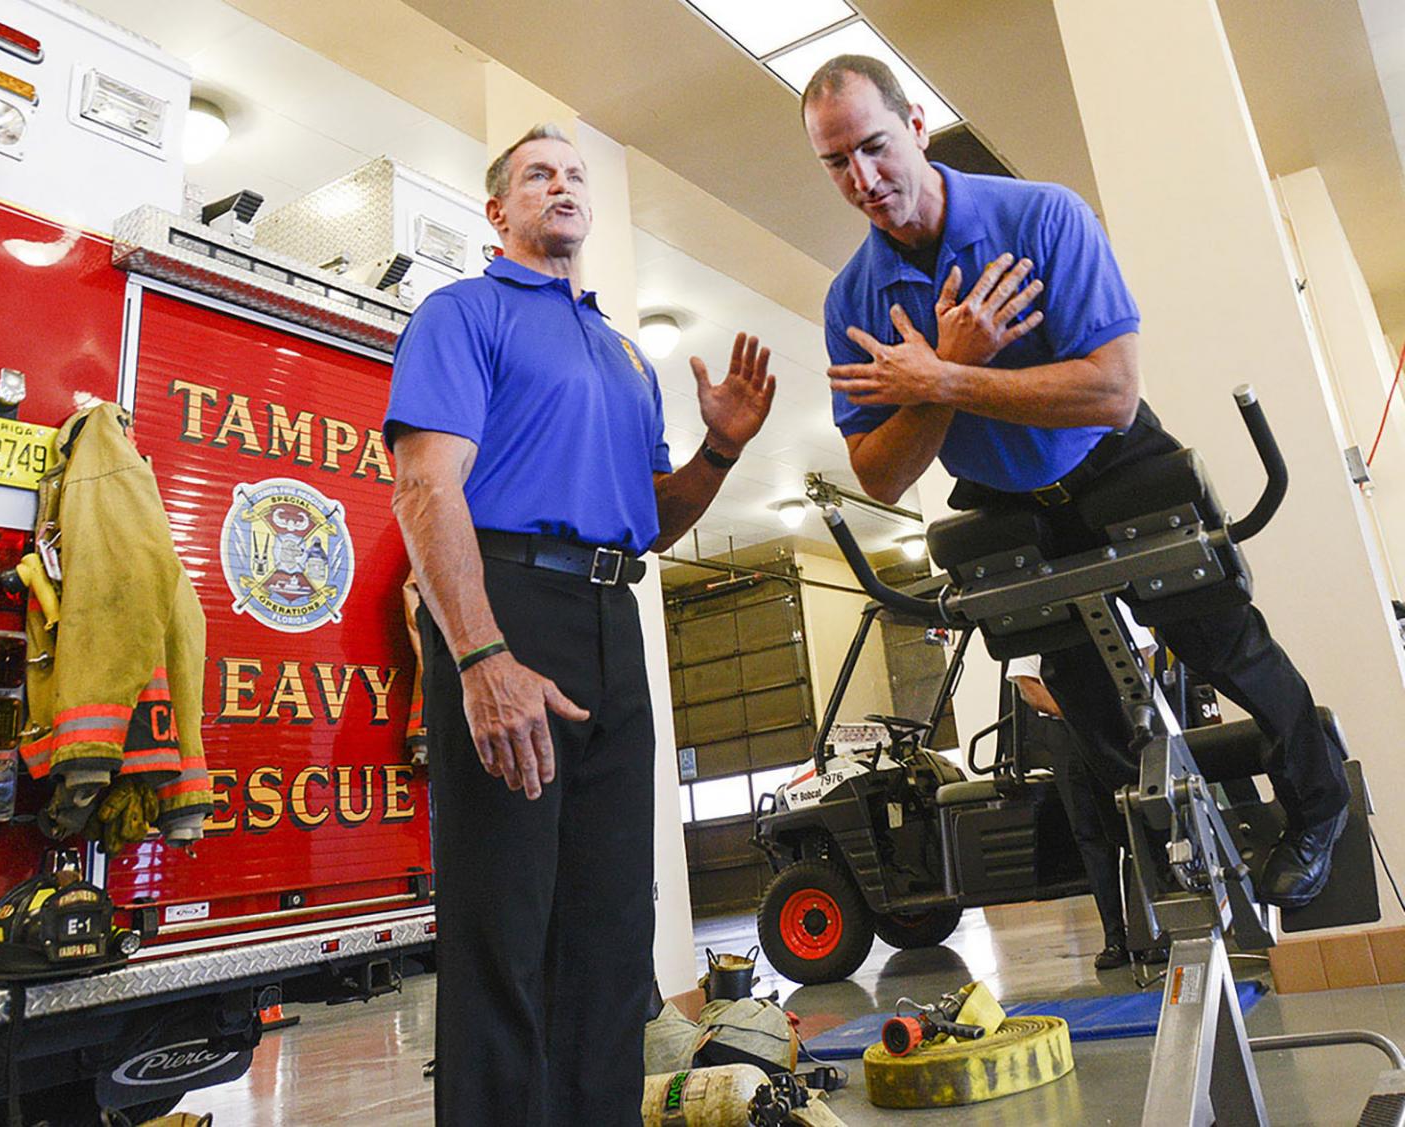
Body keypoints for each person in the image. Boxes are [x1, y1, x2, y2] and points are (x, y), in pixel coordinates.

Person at [800, 54, 1350, 911]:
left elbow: (1110, 389)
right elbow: (879, 468)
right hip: (1004, 501)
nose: (862, 179)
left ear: (916, 127)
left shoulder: (1044, 216)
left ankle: (1319, 807)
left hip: (1113, 458)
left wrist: (943, 381)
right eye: (836, 162)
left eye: (873, 146)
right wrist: (948, 366)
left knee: (1225, 646)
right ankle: (1181, 839)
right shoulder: (852, 300)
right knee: (1088, 704)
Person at [385, 124, 776, 1126]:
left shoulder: (621, 352)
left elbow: (651, 516)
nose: (560, 185)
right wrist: (479, 656)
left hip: (613, 612)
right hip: (506, 605)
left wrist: (720, 452)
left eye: (574, 174)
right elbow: (428, 488)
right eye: (536, 174)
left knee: (611, 930)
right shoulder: (461, 314)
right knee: (506, 927)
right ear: (499, 211)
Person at [1006, 603, 1166, 970]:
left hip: (1118, 729)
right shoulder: (1034, 614)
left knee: (1135, 826)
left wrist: (1122, 707)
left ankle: (1150, 933)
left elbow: (1143, 655)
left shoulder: (1113, 603)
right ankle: (1115, 939)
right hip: (1069, 736)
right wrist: (1083, 712)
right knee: (1092, 837)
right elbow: (1030, 688)